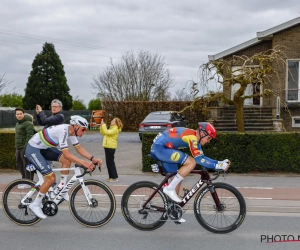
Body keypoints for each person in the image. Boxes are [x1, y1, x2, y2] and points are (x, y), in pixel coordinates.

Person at [150, 122, 230, 223]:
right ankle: (169, 189)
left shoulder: (195, 139)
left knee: (177, 178)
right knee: (191, 162)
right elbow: (198, 160)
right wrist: (218, 166)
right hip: (160, 148)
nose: (208, 141)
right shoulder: (192, 138)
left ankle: (174, 211)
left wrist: (219, 163)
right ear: (202, 134)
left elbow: (202, 157)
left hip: (165, 148)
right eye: (208, 138)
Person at [25, 115, 103, 219]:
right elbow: (67, 154)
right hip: (34, 149)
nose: (84, 132)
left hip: (44, 148)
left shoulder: (72, 132)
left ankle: (61, 188)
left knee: (66, 161)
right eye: (83, 129)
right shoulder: (63, 130)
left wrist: (92, 158)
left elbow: (79, 148)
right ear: (76, 126)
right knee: (50, 178)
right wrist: (84, 163)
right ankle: (35, 204)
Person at [36, 99, 68, 189]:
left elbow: (45, 121)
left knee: (48, 166)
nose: (53, 108)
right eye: (52, 107)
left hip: (49, 145)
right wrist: (38, 114)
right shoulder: (54, 116)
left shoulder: (59, 116)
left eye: (55, 107)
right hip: (45, 145)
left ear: (60, 108)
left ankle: (52, 186)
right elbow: (42, 122)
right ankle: (50, 185)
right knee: (47, 167)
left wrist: (41, 112)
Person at [14, 108, 36, 188]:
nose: (19, 115)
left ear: (23, 114)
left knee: (26, 164)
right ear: (15, 115)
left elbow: (29, 136)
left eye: (20, 114)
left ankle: (29, 182)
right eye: (17, 114)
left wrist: (26, 148)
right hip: (18, 147)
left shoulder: (28, 124)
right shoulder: (18, 124)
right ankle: (24, 180)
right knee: (19, 164)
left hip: (24, 147)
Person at [99, 117, 123, 182]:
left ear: (116, 123)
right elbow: (103, 133)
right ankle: (111, 176)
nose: (111, 121)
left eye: (113, 121)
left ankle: (114, 177)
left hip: (110, 147)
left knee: (110, 162)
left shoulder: (115, 129)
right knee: (108, 162)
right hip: (107, 146)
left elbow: (106, 132)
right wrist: (102, 126)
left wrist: (103, 125)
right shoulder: (112, 128)